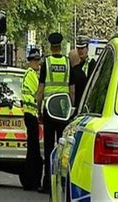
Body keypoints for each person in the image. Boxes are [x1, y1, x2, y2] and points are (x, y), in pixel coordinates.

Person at [36, 32, 75, 194]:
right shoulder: (67, 63)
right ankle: (61, 184)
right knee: (62, 148)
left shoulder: (46, 63)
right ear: (61, 46)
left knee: (49, 148)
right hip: (63, 110)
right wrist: (71, 109)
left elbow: (40, 90)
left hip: (49, 111)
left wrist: (39, 109)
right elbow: (72, 91)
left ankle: (47, 184)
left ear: (51, 47)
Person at [21, 48, 42, 191]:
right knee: (33, 151)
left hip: (31, 114)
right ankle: (32, 181)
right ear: (31, 61)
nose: (37, 63)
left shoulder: (32, 74)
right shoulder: (31, 75)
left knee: (33, 150)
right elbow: (38, 93)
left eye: (38, 60)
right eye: (35, 60)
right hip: (31, 114)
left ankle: (31, 181)